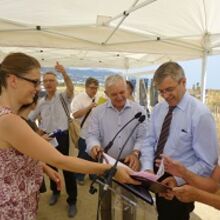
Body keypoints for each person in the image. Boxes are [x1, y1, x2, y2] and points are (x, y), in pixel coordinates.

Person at [0, 52, 139, 220]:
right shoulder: (10, 121)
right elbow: (61, 160)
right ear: (13, 80)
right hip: (13, 209)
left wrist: (44, 168)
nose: (38, 88)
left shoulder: (7, 117)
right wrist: (110, 169)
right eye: (35, 82)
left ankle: (71, 199)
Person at [141, 61, 218, 220]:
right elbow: (149, 141)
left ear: (183, 82)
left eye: (169, 89)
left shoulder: (200, 115)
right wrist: (148, 169)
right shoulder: (158, 109)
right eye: (161, 91)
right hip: (156, 176)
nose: (165, 96)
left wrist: (178, 179)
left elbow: (207, 164)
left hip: (182, 182)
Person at [86, 74, 148, 220]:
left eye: (122, 92)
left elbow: (143, 137)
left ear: (127, 90)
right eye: (114, 94)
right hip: (106, 164)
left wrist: (136, 153)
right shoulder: (98, 112)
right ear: (106, 94)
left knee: (129, 204)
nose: (119, 97)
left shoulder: (139, 111)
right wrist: (94, 146)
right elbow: (92, 135)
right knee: (105, 203)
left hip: (129, 165)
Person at [28, 62, 79, 217]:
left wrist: (64, 73)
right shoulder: (41, 103)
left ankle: (72, 200)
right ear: (43, 84)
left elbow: (71, 88)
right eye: (46, 81)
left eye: (51, 80)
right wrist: (38, 132)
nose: (49, 83)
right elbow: (30, 119)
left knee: (68, 169)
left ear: (56, 83)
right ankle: (55, 193)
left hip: (63, 137)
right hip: (48, 139)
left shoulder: (63, 97)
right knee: (52, 168)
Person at [71, 77, 99, 185]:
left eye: (96, 88)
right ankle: (79, 176)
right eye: (92, 88)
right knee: (83, 156)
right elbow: (74, 115)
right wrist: (89, 107)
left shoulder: (98, 98)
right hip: (84, 133)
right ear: (86, 87)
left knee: (94, 155)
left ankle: (92, 174)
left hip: (96, 134)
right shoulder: (79, 99)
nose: (94, 90)